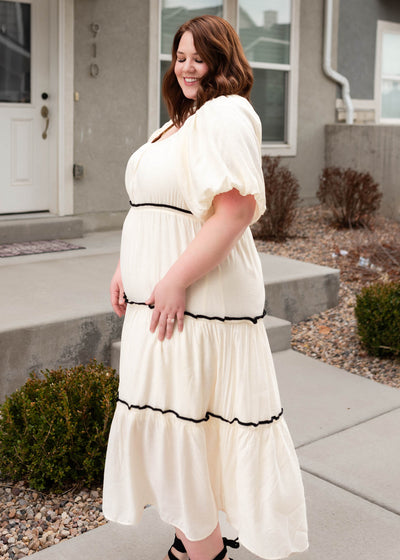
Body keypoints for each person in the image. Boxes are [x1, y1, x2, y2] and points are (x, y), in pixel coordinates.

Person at [103, 15, 308, 560]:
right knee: (185, 418)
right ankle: (190, 538)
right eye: (180, 56)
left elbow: (235, 211)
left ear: (223, 59)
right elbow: (156, 210)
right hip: (163, 299)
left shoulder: (226, 113)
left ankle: (203, 553)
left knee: (185, 419)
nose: (187, 67)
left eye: (199, 56)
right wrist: (129, 267)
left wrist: (170, 280)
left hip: (196, 300)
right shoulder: (181, 119)